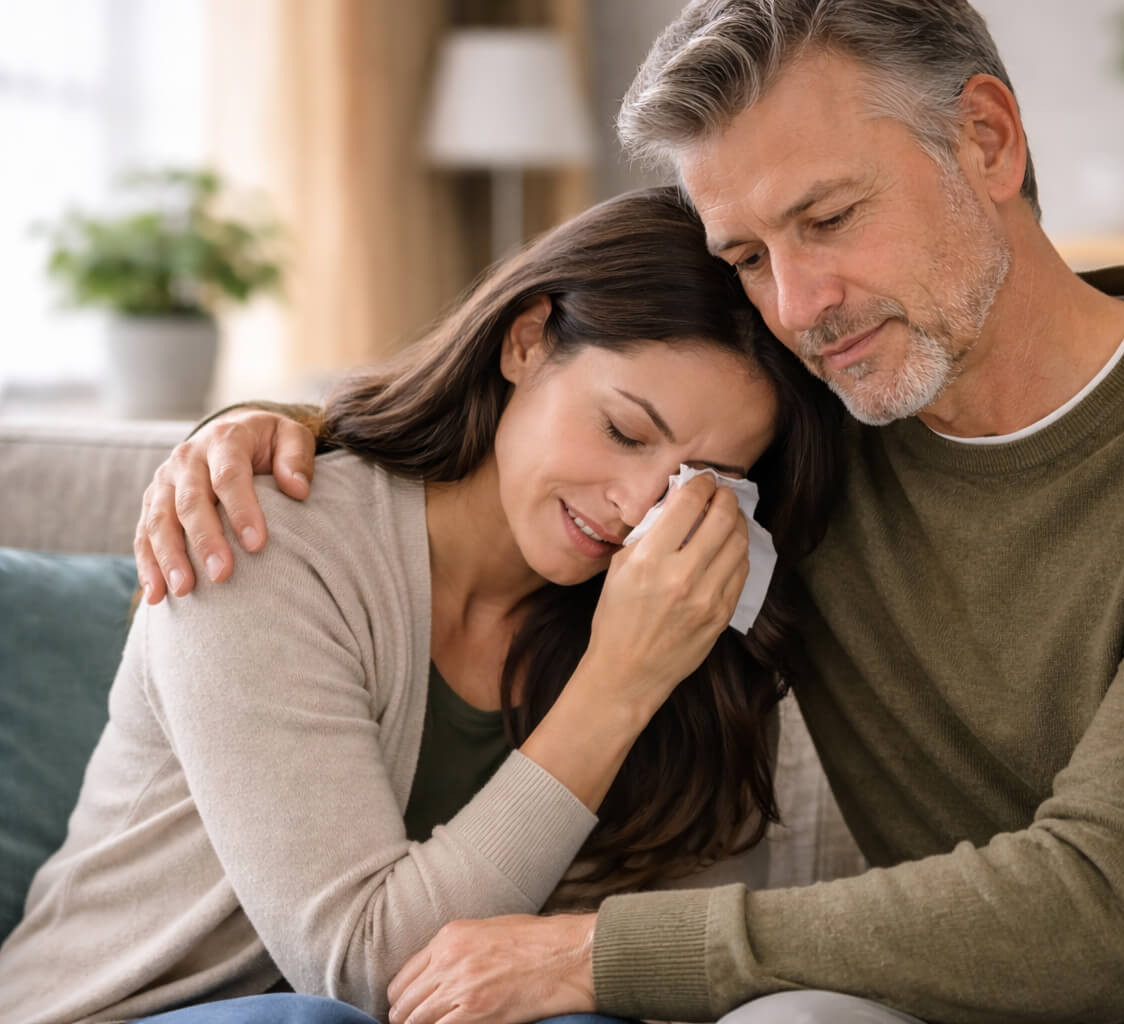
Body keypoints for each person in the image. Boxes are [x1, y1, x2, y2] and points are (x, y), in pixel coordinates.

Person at [135, 2, 1124, 1024]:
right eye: (749, 254)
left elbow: (1099, 909)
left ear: (985, 138)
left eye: (830, 218)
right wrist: (277, 432)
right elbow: (548, 448)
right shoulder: (809, 445)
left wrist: (593, 954)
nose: (798, 307)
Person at [0, 186, 844, 1024]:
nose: (637, 506)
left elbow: (658, 969)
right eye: (623, 432)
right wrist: (620, 682)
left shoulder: (685, 610)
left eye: (700, 486)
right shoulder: (263, 539)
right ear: (525, 342)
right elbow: (367, 971)